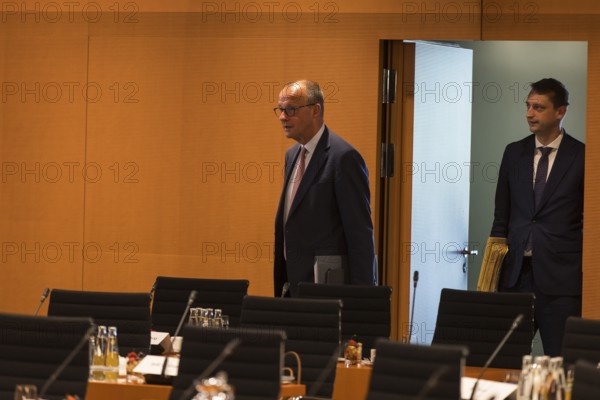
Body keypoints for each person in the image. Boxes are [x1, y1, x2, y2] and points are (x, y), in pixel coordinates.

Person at [491, 78, 585, 356]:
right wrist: (495, 274)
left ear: (560, 112)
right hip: (515, 276)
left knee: (561, 360)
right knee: (505, 358)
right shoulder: (514, 152)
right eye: (528, 106)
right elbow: (501, 216)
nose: (529, 113)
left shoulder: (583, 156)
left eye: (539, 107)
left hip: (561, 279)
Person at [273, 80, 376, 297]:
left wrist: (364, 303)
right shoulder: (292, 155)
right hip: (292, 288)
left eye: (291, 109)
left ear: (315, 109)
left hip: (326, 292)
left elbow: (360, 235)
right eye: (281, 110)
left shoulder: (344, 158)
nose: (283, 117)